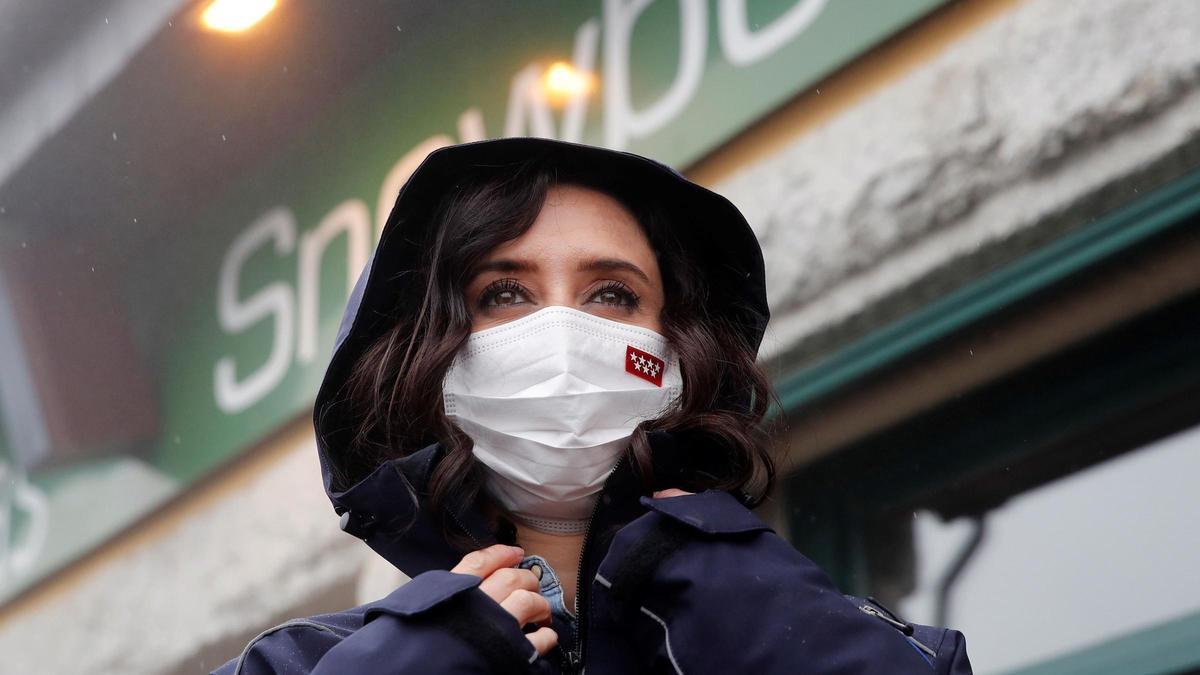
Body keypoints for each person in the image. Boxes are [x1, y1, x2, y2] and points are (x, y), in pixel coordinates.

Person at [213, 137, 973, 674]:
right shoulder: (298, 667)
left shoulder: (828, 634)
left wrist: (778, 632)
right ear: (426, 356)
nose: (562, 332)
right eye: (503, 293)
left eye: (612, 293)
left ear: (680, 353)